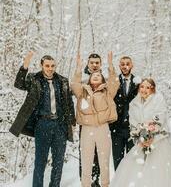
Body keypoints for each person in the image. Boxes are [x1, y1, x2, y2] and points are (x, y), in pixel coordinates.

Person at [9, 51, 75, 187]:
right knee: (40, 161)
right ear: (41, 65)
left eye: (52, 66)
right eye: (47, 66)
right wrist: (25, 65)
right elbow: (19, 84)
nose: (50, 68)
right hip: (42, 124)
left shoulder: (62, 81)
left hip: (60, 126)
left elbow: (69, 102)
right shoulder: (34, 79)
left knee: (58, 161)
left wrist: (72, 122)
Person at [110, 78, 171, 187]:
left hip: (159, 141)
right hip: (141, 143)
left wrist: (151, 135)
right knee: (137, 172)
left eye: (148, 87)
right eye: (142, 87)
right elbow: (133, 123)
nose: (144, 90)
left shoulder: (158, 99)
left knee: (159, 172)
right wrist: (140, 137)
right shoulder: (134, 103)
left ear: (153, 89)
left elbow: (159, 118)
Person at [71, 51, 119, 187]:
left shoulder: (107, 91)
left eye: (99, 75)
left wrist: (110, 66)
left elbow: (115, 82)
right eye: (94, 75)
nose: (96, 75)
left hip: (103, 128)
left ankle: (104, 184)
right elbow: (74, 84)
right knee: (86, 161)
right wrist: (79, 67)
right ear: (89, 79)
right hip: (86, 129)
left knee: (104, 161)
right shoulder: (83, 91)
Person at [109, 56, 139, 170]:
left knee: (133, 161)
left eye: (127, 64)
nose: (125, 66)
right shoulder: (113, 82)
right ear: (119, 66)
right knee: (118, 161)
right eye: (122, 64)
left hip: (133, 128)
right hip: (117, 127)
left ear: (132, 65)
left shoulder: (138, 82)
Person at [78, 53, 102, 186]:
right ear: (88, 64)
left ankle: (96, 181)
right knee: (85, 153)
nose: (94, 65)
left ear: (100, 64)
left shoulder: (105, 80)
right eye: (92, 62)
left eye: (97, 62)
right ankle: (85, 181)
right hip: (86, 124)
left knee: (99, 154)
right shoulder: (81, 80)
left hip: (101, 124)